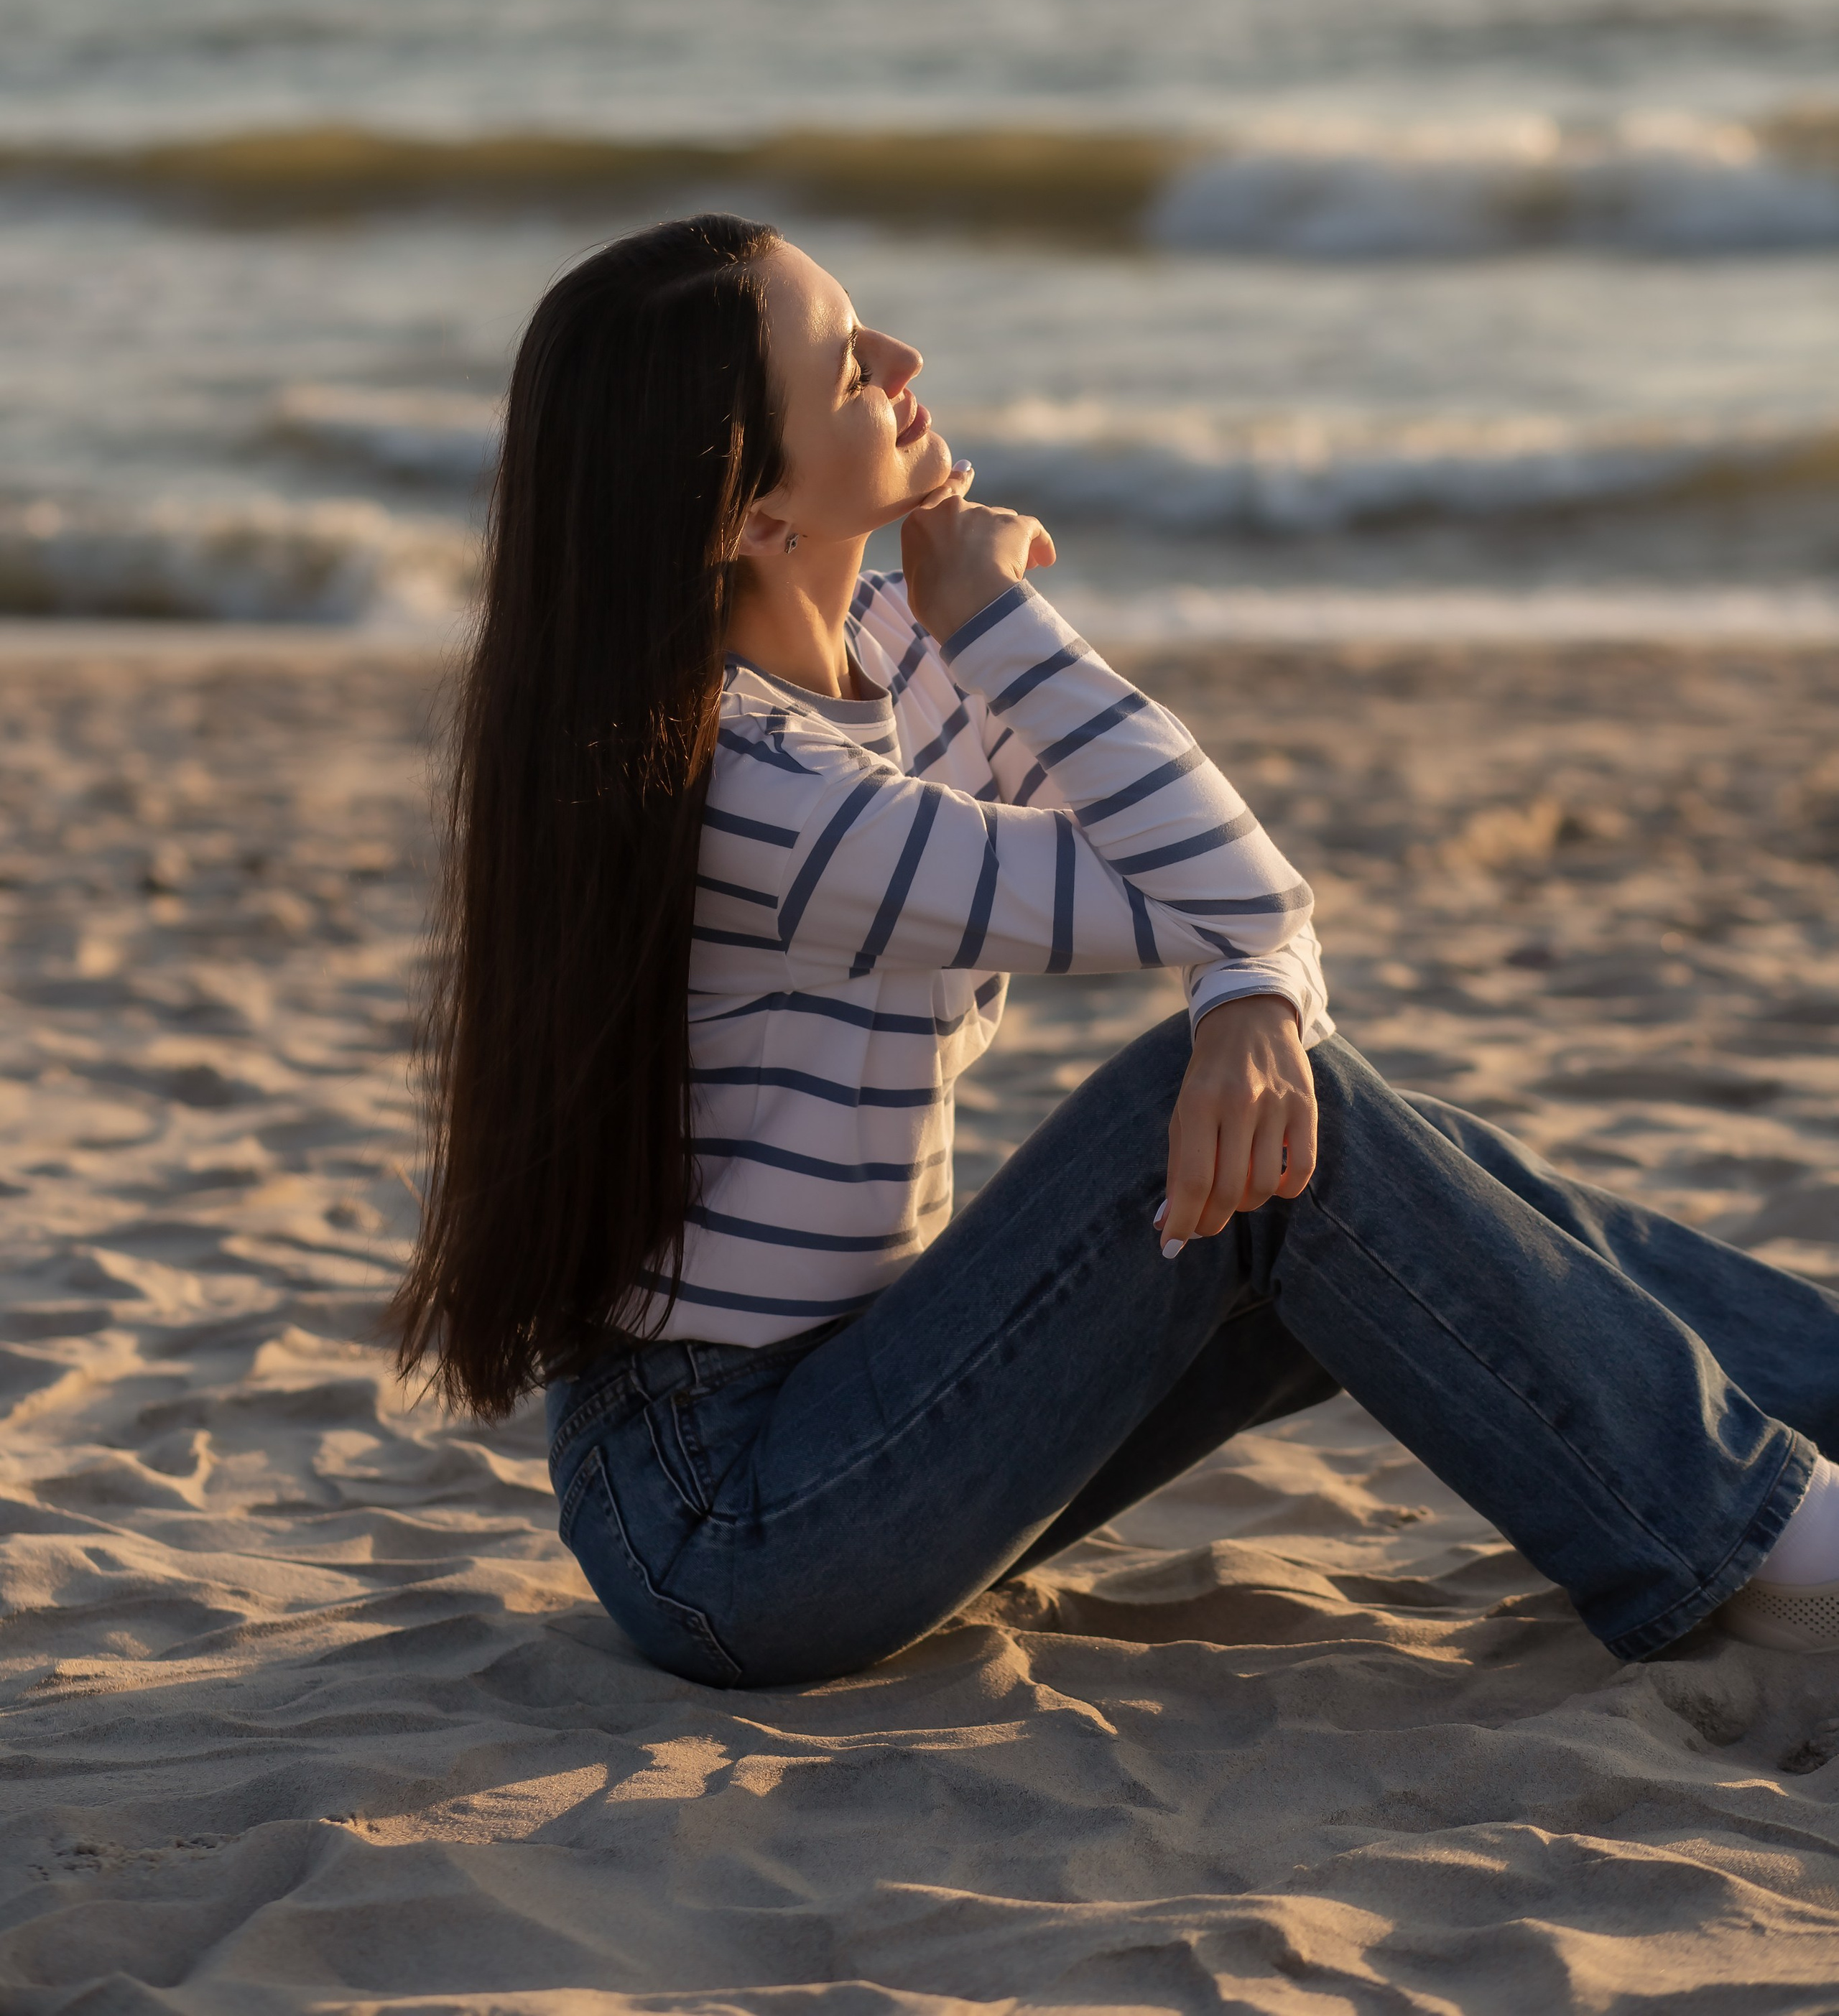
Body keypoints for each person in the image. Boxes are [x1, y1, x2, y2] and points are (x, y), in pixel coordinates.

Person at [389, 214, 1839, 1686]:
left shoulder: (879, 661)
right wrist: (1004, 624)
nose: (901, 363)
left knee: (1339, 1151)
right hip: (730, 1518)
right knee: (1242, 1127)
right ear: (752, 516)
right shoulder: (759, 796)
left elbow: (1223, 899)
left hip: (858, 1405)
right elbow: (1220, 881)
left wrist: (1254, 1002)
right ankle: (1773, 1545)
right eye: (842, 373)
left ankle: (1801, 1438)